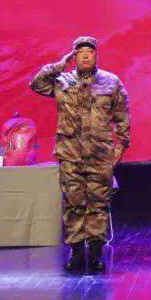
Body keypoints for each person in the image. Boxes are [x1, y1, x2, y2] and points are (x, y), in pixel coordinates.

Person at [30, 36, 130, 273]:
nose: (85, 55)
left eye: (90, 51)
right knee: (73, 203)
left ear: (96, 55)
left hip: (100, 155)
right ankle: (76, 254)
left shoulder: (111, 81)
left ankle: (95, 255)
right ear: (74, 56)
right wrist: (58, 65)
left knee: (98, 204)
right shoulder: (61, 81)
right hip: (70, 155)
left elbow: (122, 116)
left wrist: (121, 147)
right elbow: (36, 84)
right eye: (80, 52)